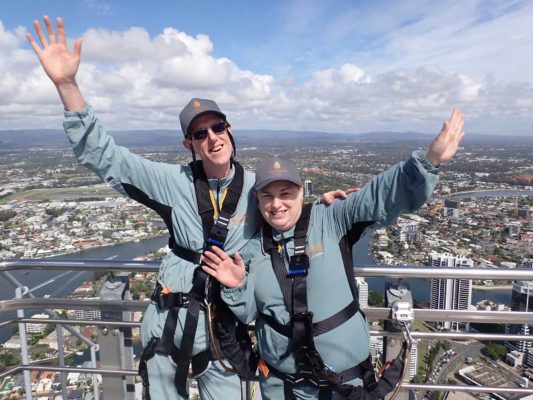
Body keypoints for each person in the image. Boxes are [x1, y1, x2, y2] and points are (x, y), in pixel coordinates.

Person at [27, 15, 351, 399]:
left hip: (225, 336)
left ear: (230, 131)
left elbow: (288, 209)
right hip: (170, 327)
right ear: (190, 145)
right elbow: (106, 156)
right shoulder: (172, 183)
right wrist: (67, 86)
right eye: (200, 133)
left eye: (218, 127)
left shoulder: (254, 187)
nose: (212, 138)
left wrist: (323, 207)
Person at [202, 110, 465, 399]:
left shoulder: (330, 218)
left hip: (345, 386)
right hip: (281, 386)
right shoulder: (252, 249)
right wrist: (238, 286)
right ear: (258, 200)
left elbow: (378, 196)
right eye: (267, 196)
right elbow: (250, 313)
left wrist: (429, 161)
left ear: (302, 193)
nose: (276, 204)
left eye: (286, 193)